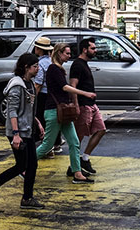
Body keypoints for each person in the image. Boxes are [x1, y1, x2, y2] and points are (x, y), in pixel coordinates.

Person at [0, 53, 44, 209]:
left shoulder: (29, 83)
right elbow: (12, 111)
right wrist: (16, 135)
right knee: (23, 165)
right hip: (18, 132)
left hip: (27, 130)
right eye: (35, 66)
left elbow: (29, 108)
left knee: (30, 165)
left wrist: (37, 122)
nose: (38, 69)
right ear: (26, 67)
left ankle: (25, 197)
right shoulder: (17, 85)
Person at [36, 43, 96, 184]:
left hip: (62, 112)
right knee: (47, 145)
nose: (69, 56)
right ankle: (24, 165)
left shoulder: (59, 69)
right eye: (67, 53)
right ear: (59, 53)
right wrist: (85, 93)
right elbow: (64, 87)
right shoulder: (53, 69)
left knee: (74, 142)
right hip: (54, 112)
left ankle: (77, 173)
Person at [69, 38, 106, 175]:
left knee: (101, 130)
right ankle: (74, 166)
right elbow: (73, 86)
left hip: (92, 104)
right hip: (83, 105)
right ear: (85, 50)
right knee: (78, 137)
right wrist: (76, 105)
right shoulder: (77, 65)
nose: (95, 51)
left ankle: (85, 158)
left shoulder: (85, 64)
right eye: (93, 48)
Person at [33, 36, 62, 156]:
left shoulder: (40, 64)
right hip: (53, 95)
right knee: (54, 120)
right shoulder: (52, 61)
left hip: (44, 95)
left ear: (39, 49)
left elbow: (38, 83)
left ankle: (47, 148)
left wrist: (33, 97)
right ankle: (56, 144)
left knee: (42, 120)